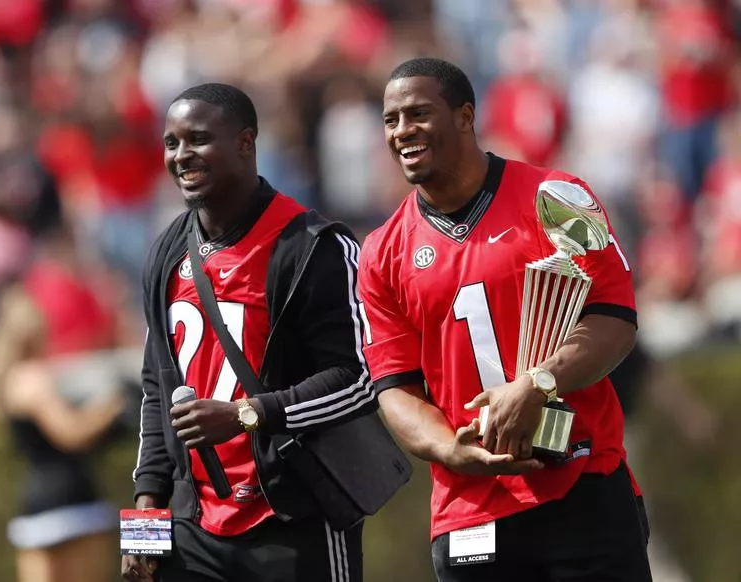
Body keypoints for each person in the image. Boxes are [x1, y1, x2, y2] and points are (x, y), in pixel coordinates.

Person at [357, 57, 652, 581]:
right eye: (391, 119)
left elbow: (616, 316)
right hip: (470, 508)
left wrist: (539, 383)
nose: (402, 131)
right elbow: (395, 388)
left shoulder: (556, 197)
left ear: (465, 116)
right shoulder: (382, 252)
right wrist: (450, 448)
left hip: (581, 478)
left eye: (419, 114)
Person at [123, 83, 406, 582]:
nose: (182, 156)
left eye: (198, 140)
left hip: (294, 517)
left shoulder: (312, 247)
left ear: (246, 143)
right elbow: (155, 388)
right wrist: (146, 517)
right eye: (171, 143)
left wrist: (246, 415)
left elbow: (359, 379)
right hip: (195, 529)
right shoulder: (167, 249)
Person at [0, 284, 127, 582]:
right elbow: (70, 433)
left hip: (36, 508)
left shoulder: (5, 380)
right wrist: (110, 409)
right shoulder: (34, 377)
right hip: (72, 505)